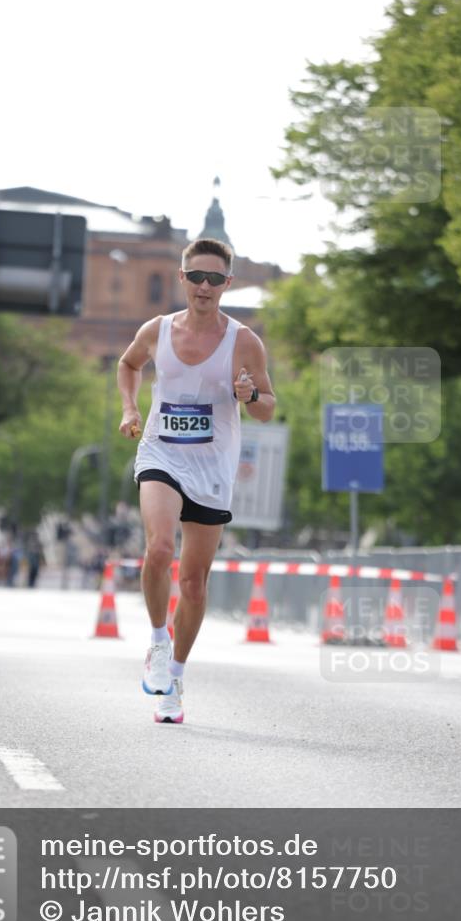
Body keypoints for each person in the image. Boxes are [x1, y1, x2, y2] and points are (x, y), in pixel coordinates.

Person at [117, 237, 275, 724]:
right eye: (197, 277)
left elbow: (268, 408)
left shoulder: (243, 341)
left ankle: (176, 679)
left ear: (227, 284)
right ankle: (159, 644)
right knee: (160, 548)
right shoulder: (157, 329)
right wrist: (130, 407)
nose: (205, 287)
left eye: (216, 279)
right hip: (162, 452)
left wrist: (248, 395)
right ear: (182, 278)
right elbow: (128, 365)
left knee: (194, 580)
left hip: (212, 466)